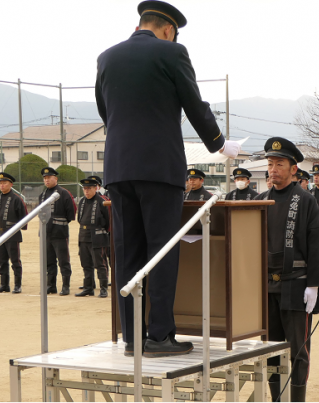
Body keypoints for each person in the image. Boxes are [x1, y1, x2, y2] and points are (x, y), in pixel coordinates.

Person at [95, 0, 240, 358]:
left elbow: (105, 109)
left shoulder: (107, 57)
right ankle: (159, 337)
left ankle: (132, 337)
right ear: (168, 29)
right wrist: (220, 144)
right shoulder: (173, 53)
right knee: (161, 250)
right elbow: (194, 103)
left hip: (118, 168)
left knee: (128, 251)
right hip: (159, 168)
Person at [254, 137, 319, 401]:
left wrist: (314, 285)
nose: (273, 169)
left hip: (296, 285)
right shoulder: (261, 200)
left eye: (280, 164)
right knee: (271, 348)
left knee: (298, 349)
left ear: (293, 169)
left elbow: (316, 242)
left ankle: (297, 398)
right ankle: (277, 397)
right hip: (267, 286)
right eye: (270, 163)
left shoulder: (305, 200)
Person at [38, 167, 77, 295]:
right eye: (45, 178)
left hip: (60, 233)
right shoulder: (42, 195)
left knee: (63, 260)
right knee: (49, 261)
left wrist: (58, 223)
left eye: (49, 177)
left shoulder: (64, 193)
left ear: (56, 178)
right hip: (46, 233)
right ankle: (51, 285)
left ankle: (66, 286)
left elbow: (71, 213)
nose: (47, 180)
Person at [0, 172, 28, 294]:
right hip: (0, 232)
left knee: (15, 260)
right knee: (1, 260)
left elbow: (23, 216)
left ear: (11, 184)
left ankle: (17, 285)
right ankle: (4, 284)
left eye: (4, 183)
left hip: (12, 233)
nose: (2, 186)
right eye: (0, 183)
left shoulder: (16, 199)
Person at [75, 177, 110, 298]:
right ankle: (88, 287)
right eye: (85, 189)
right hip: (84, 236)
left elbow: (108, 221)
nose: (86, 191)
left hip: (97, 237)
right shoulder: (82, 202)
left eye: (89, 188)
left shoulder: (102, 201)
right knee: (86, 264)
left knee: (100, 264)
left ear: (96, 188)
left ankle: (103, 288)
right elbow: (79, 219)